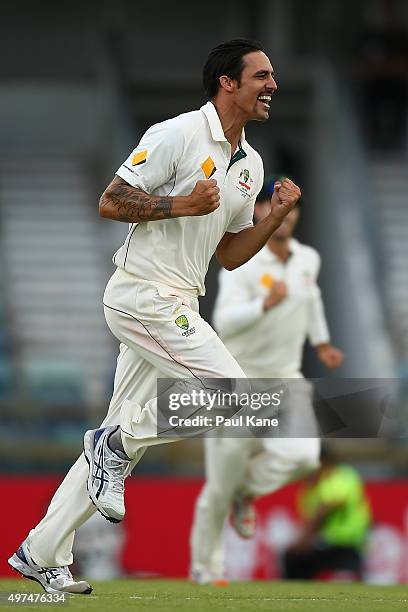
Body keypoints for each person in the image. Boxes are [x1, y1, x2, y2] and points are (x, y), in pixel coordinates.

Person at [8, 39, 302, 594]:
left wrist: (273, 218)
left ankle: (39, 551)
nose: (273, 85)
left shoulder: (251, 165)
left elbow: (231, 253)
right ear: (228, 83)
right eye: (262, 75)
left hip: (181, 301)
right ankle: (113, 443)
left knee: (125, 440)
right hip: (143, 294)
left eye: (273, 76)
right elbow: (111, 201)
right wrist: (180, 204)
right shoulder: (177, 134)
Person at [190, 179, 344, 583]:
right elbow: (223, 321)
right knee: (219, 485)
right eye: (275, 205)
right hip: (236, 381)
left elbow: (312, 300)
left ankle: (247, 490)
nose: (285, 215)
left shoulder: (307, 259)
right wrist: (264, 304)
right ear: (259, 212)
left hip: (285, 378)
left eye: (291, 207)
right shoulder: (243, 261)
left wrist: (322, 341)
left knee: (305, 457)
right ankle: (207, 567)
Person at [283, 445, 371, 580]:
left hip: (345, 543)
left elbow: (326, 508)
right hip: (324, 542)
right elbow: (308, 516)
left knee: (296, 555)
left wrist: (305, 539)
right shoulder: (312, 486)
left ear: (322, 461)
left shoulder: (342, 476)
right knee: (293, 557)